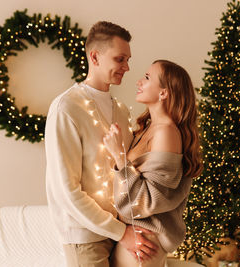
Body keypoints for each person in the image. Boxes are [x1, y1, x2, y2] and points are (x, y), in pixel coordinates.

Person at [45, 21, 158, 267]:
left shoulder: (120, 110)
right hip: (85, 237)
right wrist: (121, 232)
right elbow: (67, 192)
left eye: (128, 59)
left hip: (122, 231)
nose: (127, 67)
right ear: (95, 57)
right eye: (120, 59)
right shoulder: (66, 108)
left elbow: (126, 171)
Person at [103, 59, 203, 267]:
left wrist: (119, 157)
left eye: (147, 78)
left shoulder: (166, 133)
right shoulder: (148, 128)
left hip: (144, 246)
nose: (139, 81)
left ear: (164, 93)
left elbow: (150, 200)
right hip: (134, 241)